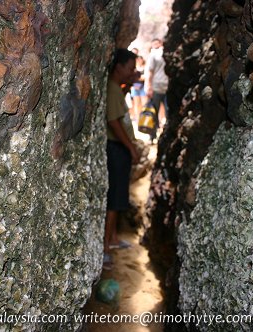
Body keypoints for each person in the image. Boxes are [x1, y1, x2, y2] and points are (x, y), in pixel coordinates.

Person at [104, 49, 141, 270]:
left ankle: (114, 237)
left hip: (120, 150)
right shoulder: (111, 89)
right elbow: (114, 122)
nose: (133, 71)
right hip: (116, 150)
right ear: (118, 67)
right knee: (114, 199)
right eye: (130, 67)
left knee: (118, 197)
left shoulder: (116, 88)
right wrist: (131, 148)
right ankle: (106, 247)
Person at [145, 38, 169, 141]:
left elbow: (150, 72)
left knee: (157, 112)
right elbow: (150, 72)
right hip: (157, 87)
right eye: (153, 43)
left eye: (156, 43)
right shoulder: (153, 54)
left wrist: (148, 86)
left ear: (161, 43)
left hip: (163, 86)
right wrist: (149, 86)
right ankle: (152, 135)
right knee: (154, 112)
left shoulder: (158, 54)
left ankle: (156, 135)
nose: (155, 45)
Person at [129, 56, 147, 120]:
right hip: (135, 88)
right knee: (136, 104)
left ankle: (144, 117)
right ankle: (138, 118)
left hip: (143, 88)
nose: (139, 61)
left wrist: (139, 78)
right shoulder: (134, 67)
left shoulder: (145, 67)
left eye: (140, 59)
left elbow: (146, 77)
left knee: (144, 103)